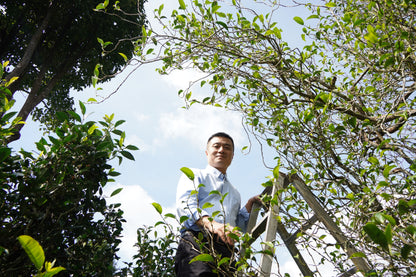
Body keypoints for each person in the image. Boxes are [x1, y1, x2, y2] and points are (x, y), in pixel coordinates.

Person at [175, 132, 259, 277]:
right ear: (207, 152)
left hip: (227, 252)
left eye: (227, 147)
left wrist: (248, 207)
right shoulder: (194, 175)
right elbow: (185, 206)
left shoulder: (235, 193)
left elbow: (235, 226)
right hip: (197, 243)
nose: (221, 150)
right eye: (216, 146)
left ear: (232, 156)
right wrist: (212, 224)